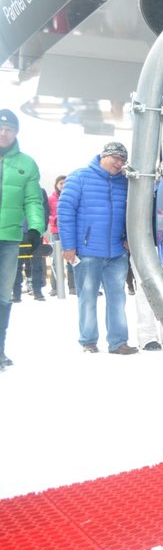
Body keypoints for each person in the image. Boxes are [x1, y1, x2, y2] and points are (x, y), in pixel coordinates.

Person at [59, 142, 138, 354]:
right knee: (87, 298)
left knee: (118, 298)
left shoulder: (125, 182)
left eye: (123, 160)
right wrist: (69, 246)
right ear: (104, 156)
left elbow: (132, 212)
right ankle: (88, 341)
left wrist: (128, 236)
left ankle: (118, 342)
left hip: (116, 252)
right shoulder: (79, 177)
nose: (119, 163)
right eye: (116, 158)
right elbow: (65, 212)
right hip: (87, 251)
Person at [0, 109, 45, 369]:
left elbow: (32, 200)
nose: (3, 133)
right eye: (1, 127)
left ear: (16, 132)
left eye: (9, 129)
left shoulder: (27, 164)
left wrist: (36, 228)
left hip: (9, 238)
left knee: (3, 295)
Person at [47, 175, 76, 296]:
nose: (63, 185)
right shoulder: (50, 198)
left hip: (70, 231)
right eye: (61, 183)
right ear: (56, 185)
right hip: (56, 232)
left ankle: (73, 287)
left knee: (72, 259)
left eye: (65, 183)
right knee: (55, 260)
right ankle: (55, 287)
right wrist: (55, 219)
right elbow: (46, 214)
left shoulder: (72, 196)